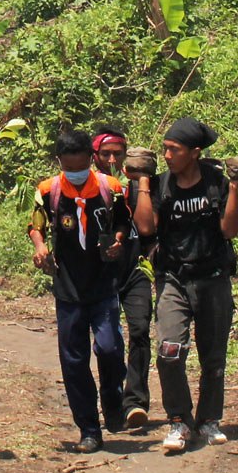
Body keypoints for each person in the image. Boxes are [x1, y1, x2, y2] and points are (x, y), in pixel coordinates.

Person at [132, 117, 238, 453]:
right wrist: (142, 182)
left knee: (214, 357)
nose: (166, 155)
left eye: (174, 150)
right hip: (173, 280)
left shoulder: (215, 184)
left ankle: (209, 421)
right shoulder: (160, 184)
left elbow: (230, 230)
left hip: (213, 280)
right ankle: (179, 420)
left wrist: (236, 189)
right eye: (164, 148)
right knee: (168, 352)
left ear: (194, 153)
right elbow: (146, 227)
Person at [28, 129, 129, 453]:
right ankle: (88, 428)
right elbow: (36, 225)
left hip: (103, 283)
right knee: (73, 360)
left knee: (110, 348)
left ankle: (113, 401)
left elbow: (123, 222)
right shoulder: (48, 191)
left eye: (80, 165)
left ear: (91, 158)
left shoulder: (109, 188)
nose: (75, 172)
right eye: (68, 166)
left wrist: (117, 241)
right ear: (59, 162)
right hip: (68, 287)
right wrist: (41, 247)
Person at [92, 125, 153, 430]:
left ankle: (136, 402)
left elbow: (146, 228)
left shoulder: (137, 187)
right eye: (106, 154)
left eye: (119, 153)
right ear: (95, 156)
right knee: (110, 344)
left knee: (140, 330)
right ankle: (112, 403)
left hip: (135, 271)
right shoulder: (90, 190)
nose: (113, 159)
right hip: (102, 277)